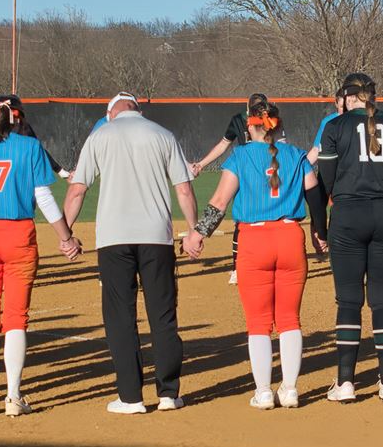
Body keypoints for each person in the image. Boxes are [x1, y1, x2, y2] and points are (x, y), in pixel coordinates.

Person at [62, 92, 197, 413]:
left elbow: (77, 189)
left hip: (114, 238)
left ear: (111, 113)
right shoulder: (163, 134)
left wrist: (66, 234)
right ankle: (168, 393)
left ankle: (131, 397)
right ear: (136, 109)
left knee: (120, 317)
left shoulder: (100, 135)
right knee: (163, 315)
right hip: (156, 237)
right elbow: (183, 188)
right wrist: (194, 229)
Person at [185, 101, 325, 407]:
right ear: (277, 126)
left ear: (250, 126)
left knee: (259, 323)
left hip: (254, 241)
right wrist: (319, 232)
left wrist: (198, 233)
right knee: (290, 319)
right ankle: (289, 389)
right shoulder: (295, 155)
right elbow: (315, 193)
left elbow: (220, 201)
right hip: (290, 237)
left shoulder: (241, 156)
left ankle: (263, 391)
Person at [0, 95, 82, 417]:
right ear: (19, 119)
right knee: (16, 318)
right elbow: (45, 198)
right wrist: (66, 238)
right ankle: (13, 395)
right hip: (19, 236)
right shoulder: (30, 147)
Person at [310, 73, 383, 403]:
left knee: (349, 301)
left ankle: (346, 383)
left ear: (346, 97)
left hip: (349, 216)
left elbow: (323, 181)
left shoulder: (335, 127)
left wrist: (320, 228)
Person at [190, 93, 271, 285]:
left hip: (264, 172)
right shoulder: (238, 121)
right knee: (245, 219)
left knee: (246, 218)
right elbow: (223, 144)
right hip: (246, 171)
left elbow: (218, 203)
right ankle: (238, 267)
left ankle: (245, 267)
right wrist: (201, 164)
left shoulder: (271, 121)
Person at [307, 86, 350, 163]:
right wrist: (302, 169)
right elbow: (316, 149)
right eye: (341, 107)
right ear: (336, 104)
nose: (344, 111)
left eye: (347, 107)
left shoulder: (357, 120)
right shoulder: (328, 122)